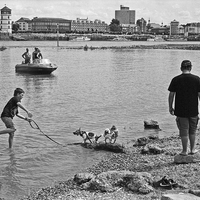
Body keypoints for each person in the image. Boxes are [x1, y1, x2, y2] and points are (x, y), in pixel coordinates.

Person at [168, 60, 200, 156]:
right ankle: (193, 149)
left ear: (181, 68)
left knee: (184, 131)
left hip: (181, 110)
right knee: (193, 130)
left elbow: (171, 95)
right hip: (193, 109)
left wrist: (170, 107)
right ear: (190, 68)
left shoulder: (176, 79)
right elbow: (199, 95)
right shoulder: (197, 79)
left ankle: (184, 151)